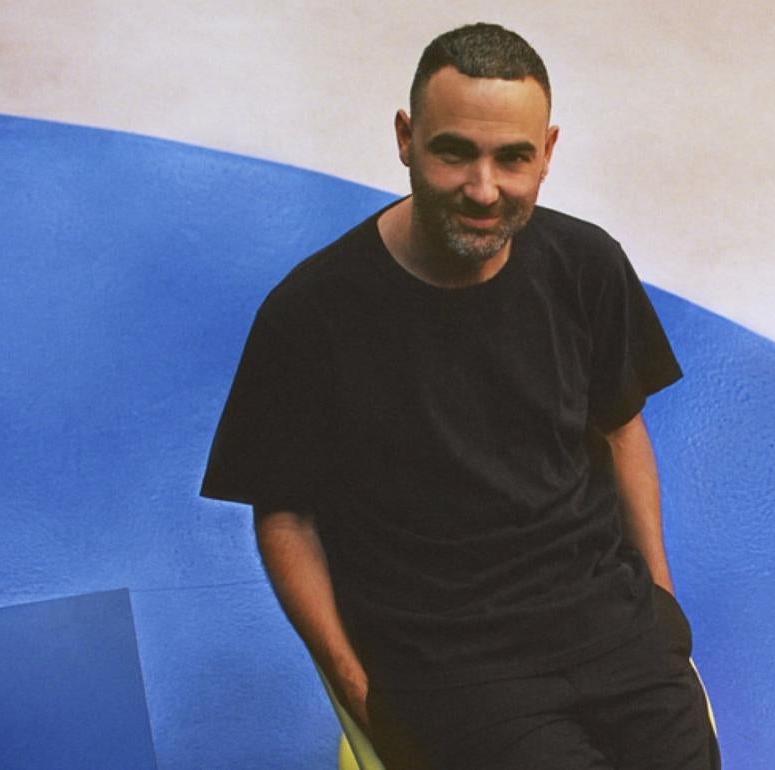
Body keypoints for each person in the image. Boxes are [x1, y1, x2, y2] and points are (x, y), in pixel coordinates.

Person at [201, 22, 718, 770]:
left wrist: (661, 607)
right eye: (453, 152)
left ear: (547, 152)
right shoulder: (309, 315)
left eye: (513, 157)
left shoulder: (587, 265)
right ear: (406, 139)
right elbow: (286, 514)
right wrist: (360, 694)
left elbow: (621, 427)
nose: (483, 189)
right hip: (447, 660)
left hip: (607, 623)